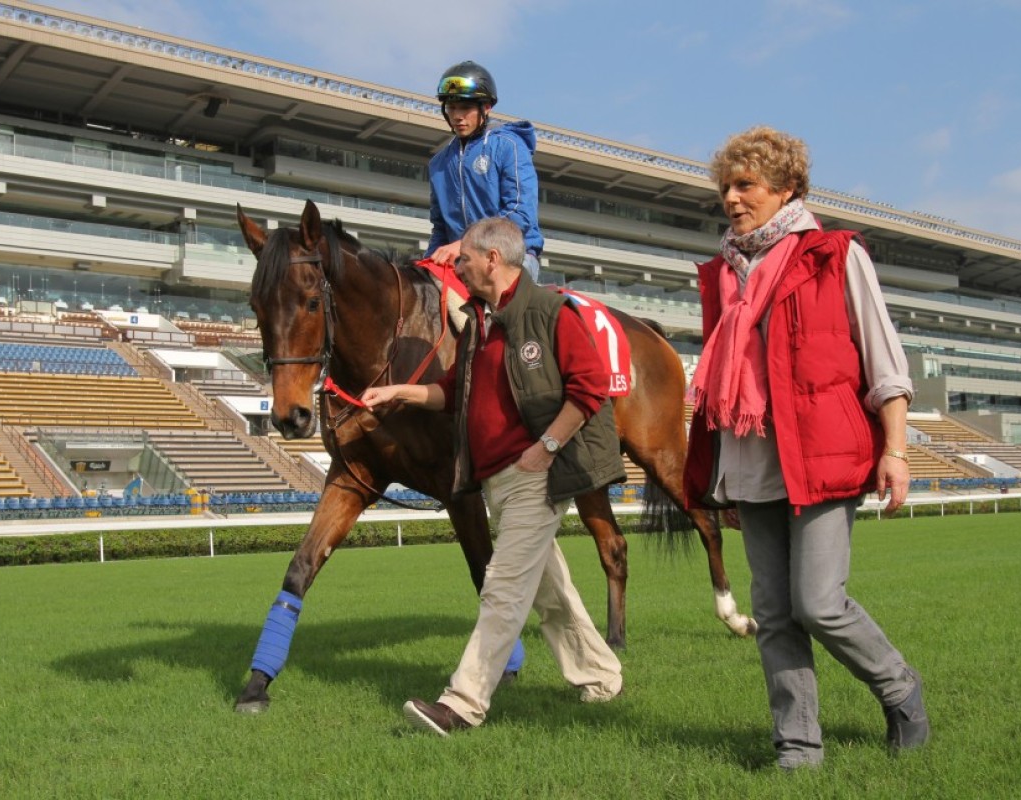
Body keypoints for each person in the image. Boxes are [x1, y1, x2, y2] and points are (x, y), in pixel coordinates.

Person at [684, 126, 930, 769]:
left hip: (822, 457)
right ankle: (798, 744)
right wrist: (720, 478)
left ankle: (899, 686)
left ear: (786, 188)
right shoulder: (724, 275)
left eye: (747, 186)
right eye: (726, 188)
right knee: (774, 613)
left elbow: (884, 358)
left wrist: (896, 450)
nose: (732, 199)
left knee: (819, 603)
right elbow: (722, 386)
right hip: (750, 462)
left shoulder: (833, 254)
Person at [359, 217, 624, 735]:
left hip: (534, 477)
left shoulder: (550, 311)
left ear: (492, 260)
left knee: (502, 588)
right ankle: (600, 674)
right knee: (550, 592)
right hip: (498, 482)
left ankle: (462, 703)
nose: (456, 266)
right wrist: (398, 393)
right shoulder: (480, 321)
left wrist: (545, 449)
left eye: (463, 259)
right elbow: (452, 393)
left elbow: (590, 388)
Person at [426, 61, 544, 281]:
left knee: (496, 312)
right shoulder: (438, 164)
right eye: (451, 108)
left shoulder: (510, 146)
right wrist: (424, 264)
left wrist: (466, 245)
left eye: (465, 107)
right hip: (461, 262)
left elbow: (519, 214)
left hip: (513, 258)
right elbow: (440, 229)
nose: (457, 116)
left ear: (486, 107)